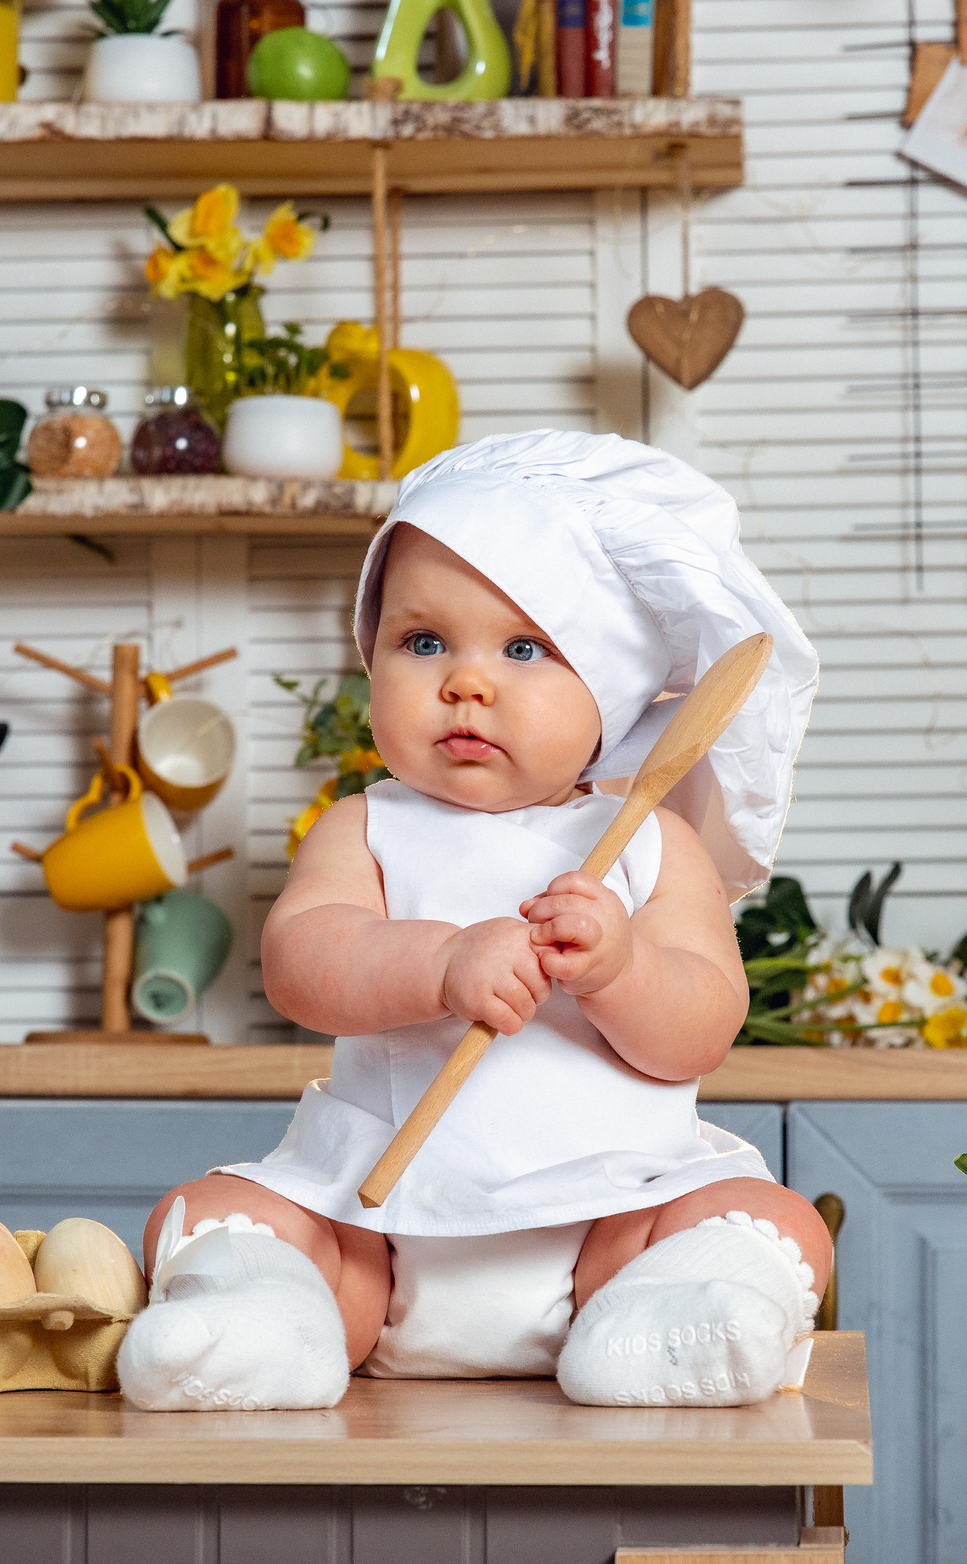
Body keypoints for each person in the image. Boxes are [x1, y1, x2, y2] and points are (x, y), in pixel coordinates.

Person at [116, 431, 827, 1414]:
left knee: (765, 1213)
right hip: (379, 1230)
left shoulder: (650, 843)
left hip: (609, 1222)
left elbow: (703, 1024)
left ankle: (663, 1325)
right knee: (212, 1208)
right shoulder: (364, 827)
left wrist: (620, 970)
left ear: (612, 690)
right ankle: (271, 1324)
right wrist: (441, 961)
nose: (465, 682)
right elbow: (300, 961)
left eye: (524, 648)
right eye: (422, 642)